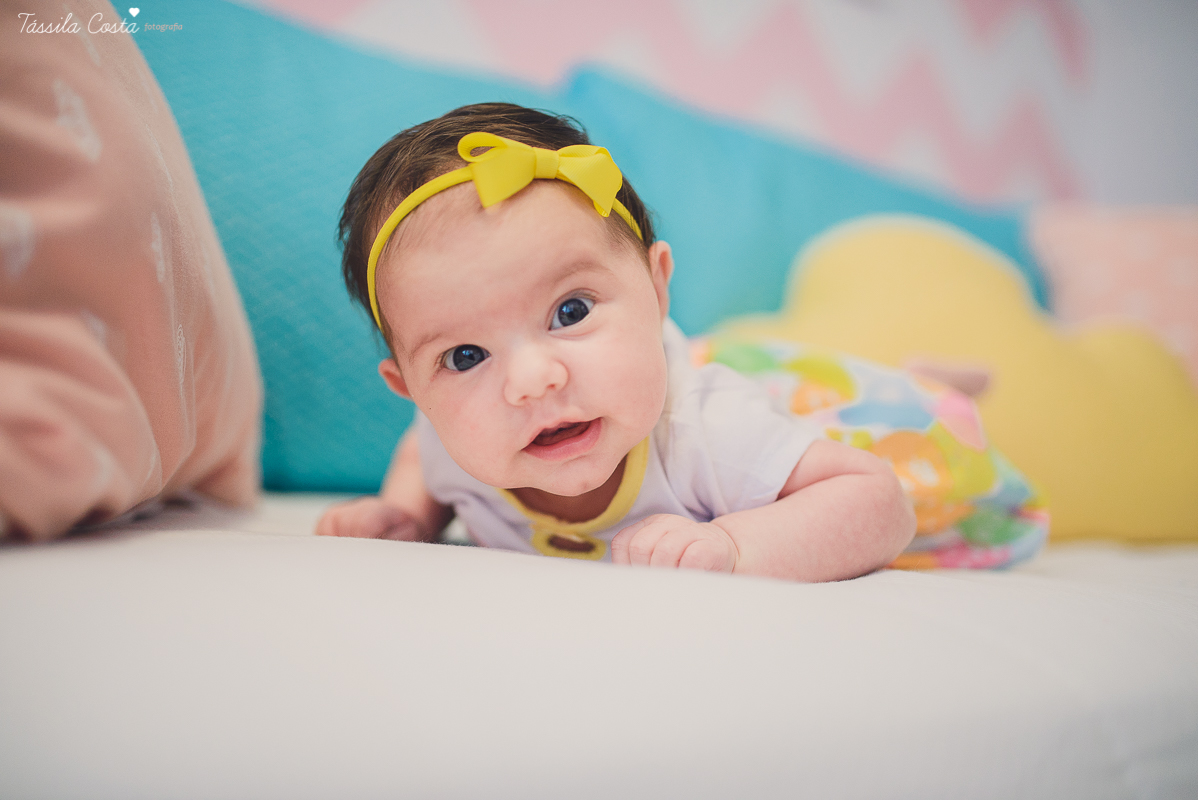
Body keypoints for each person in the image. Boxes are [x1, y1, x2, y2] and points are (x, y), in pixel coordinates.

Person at [316, 102, 917, 582]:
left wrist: (734, 545)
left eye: (569, 312)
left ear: (657, 288)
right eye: (465, 357)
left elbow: (878, 499)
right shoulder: (452, 438)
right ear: (413, 390)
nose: (531, 380)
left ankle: (925, 371)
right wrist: (407, 514)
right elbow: (421, 455)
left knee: (887, 397)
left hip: (799, 397)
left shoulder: (708, 434)